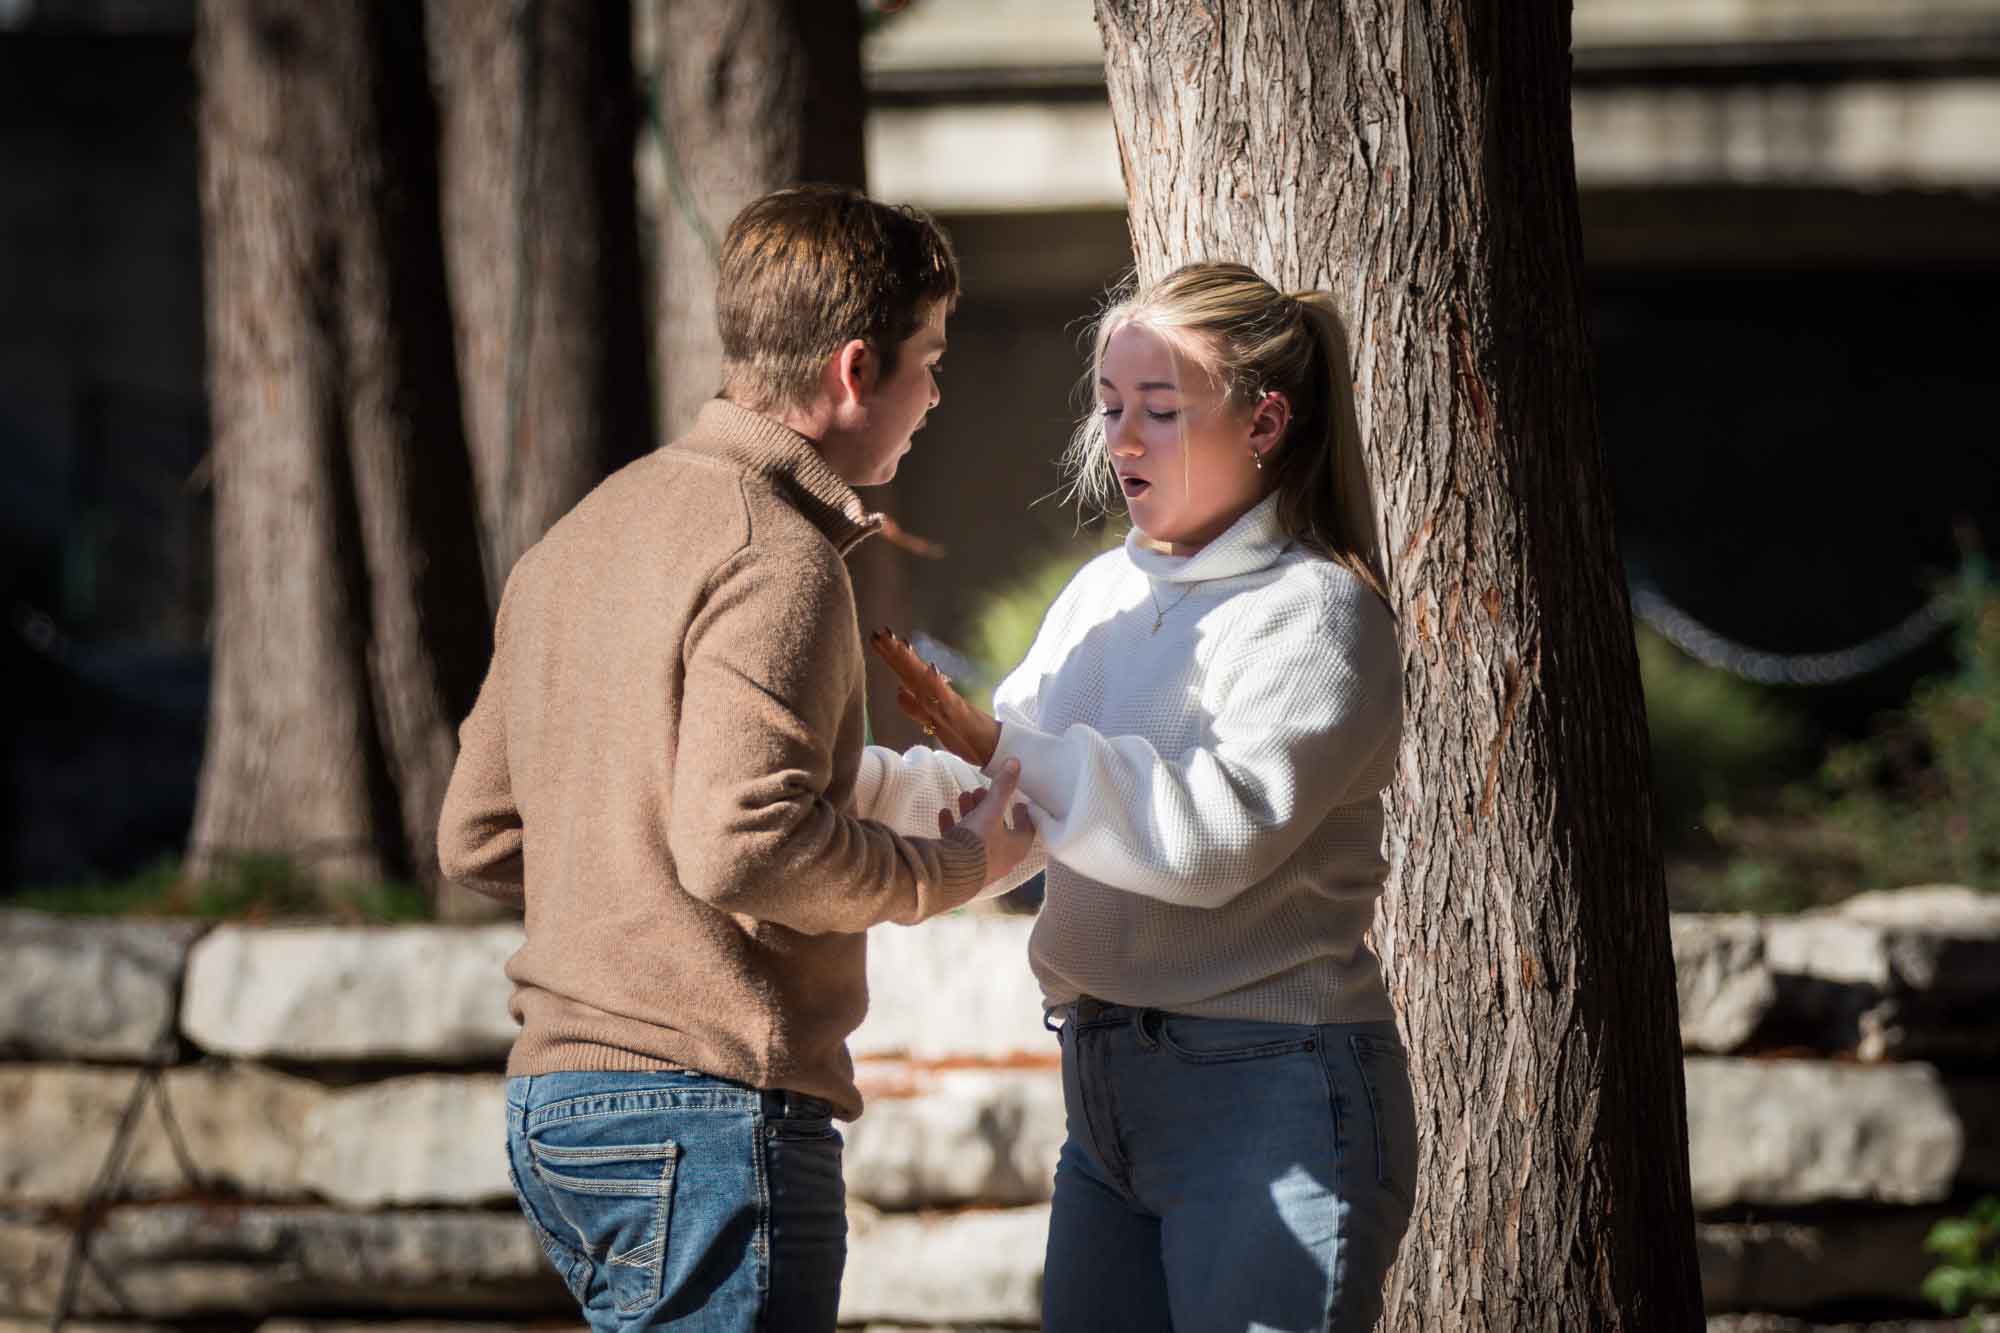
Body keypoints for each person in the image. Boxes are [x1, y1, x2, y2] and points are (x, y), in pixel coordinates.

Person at [436, 184, 1036, 1333]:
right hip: (703, 1114)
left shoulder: (581, 535)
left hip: (560, 1110)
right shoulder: (778, 557)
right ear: (854, 371)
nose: (935, 396)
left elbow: (479, 833)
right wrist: (953, 866)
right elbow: (741, 843)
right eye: (931, 360)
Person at [868, 261, 1417, 1332]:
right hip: (1104, 1090)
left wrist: (1008, 746)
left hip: (1272, 1092)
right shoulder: (1101, 595)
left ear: (1265, 423)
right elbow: (1011, 804)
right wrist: (839, 791)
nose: (1122, 440)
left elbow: (1209, 841)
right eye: (1111, 407)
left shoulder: (1319, 614)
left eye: (1160, 411)